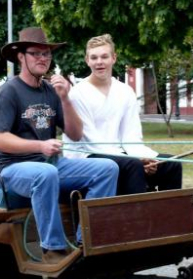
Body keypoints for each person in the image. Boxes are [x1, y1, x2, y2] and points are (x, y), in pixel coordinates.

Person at [0, 27, 119, 265]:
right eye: (35, 53)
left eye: (46, 54)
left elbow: (75, 134)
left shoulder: (51, 90)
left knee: (108, 168)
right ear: (21, 57)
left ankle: (86, 242)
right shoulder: (9, 91)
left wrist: (65, 98)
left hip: (51, 164)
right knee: (45, 173)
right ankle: (53, 249)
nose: (43, 59)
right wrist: (40, 145)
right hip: (11, 169)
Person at [63, 34, 182, 195]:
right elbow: (92, 142)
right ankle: (135, 218)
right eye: (94, 57)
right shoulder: (78, 93)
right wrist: (137, 161)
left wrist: (146, 158)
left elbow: (131, 136)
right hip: (87, 155)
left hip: (121, 155)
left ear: (114, 58)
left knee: (171, 164)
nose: (99, 62)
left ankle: (168, 218)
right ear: (87, 60)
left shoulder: (125, 91)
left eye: (104, 56)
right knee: (133, 166)